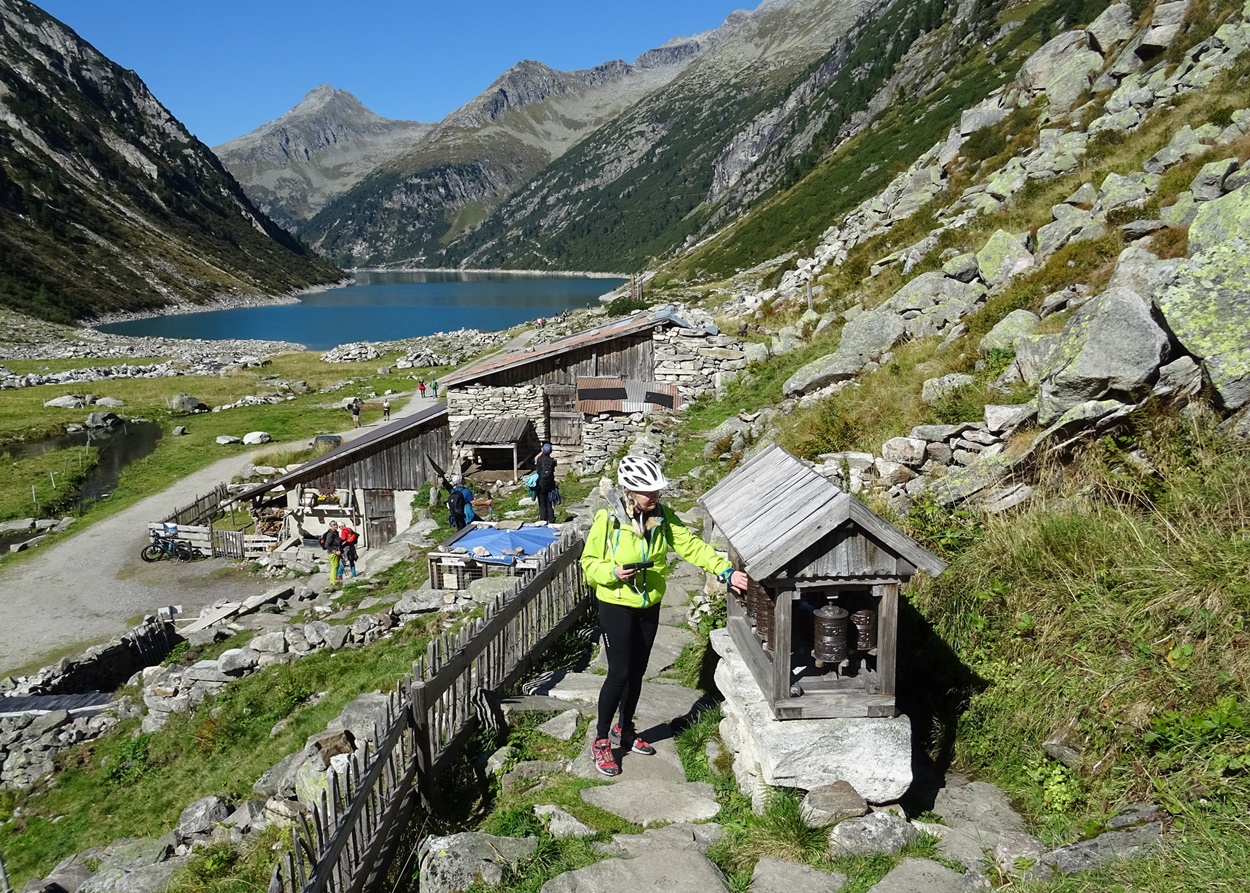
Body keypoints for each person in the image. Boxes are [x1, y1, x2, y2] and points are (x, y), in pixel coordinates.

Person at [580, 455, 749, 777]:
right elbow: (589, 563)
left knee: (638, 672)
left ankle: (624, 729)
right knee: (619, 672)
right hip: (615, 602)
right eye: (648, 492)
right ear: (630, 491)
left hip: (649, 603)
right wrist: (613, 572)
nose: (655, 497)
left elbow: (692, 547)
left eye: (657, 491)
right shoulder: (610, 520)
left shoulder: (660, 518)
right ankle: (601, 740)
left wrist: (725, 570)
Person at [534, 442, 558, 523]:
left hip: (540, 485)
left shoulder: (539, 460)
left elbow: (535, 458)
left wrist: (542, 452)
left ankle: (543, 520)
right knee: (549, 503)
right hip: (550, 485)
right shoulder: (553, 461)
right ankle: (551, 520)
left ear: (543, 451)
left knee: (542, 504)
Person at [319, 521, 343, 589]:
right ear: (331, 526)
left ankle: (334, 580)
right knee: (334, 567)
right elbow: (327, 545)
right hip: (332, 553)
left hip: (337, 551)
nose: (336, 526)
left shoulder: (335, 533)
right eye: (335, 525)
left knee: (337, 566)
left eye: (336, 524)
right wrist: (334, 551)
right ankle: (333, 582)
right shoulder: (330, 534)